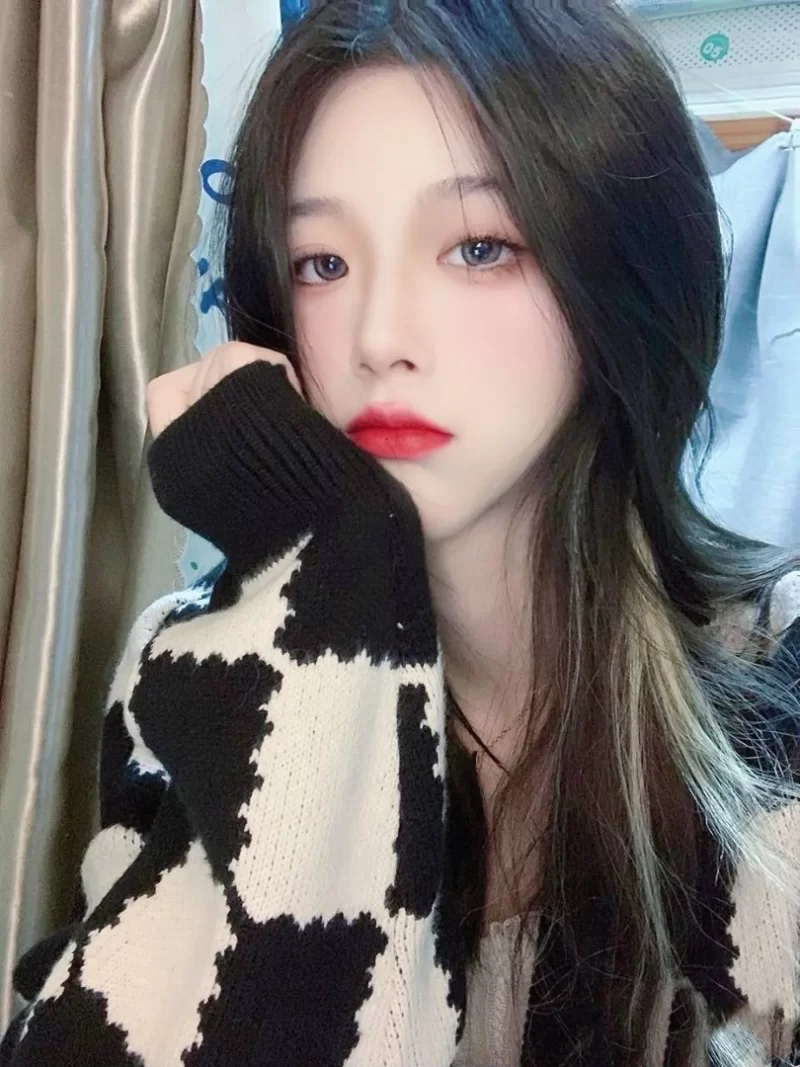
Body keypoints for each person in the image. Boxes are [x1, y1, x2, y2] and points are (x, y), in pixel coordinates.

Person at [2, 1, 799, 1065]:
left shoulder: (776, 668)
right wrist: (325, 594)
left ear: (619, 274)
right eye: (320, 263)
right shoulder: (190, 663)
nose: (378, 339)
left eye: (477, 246)